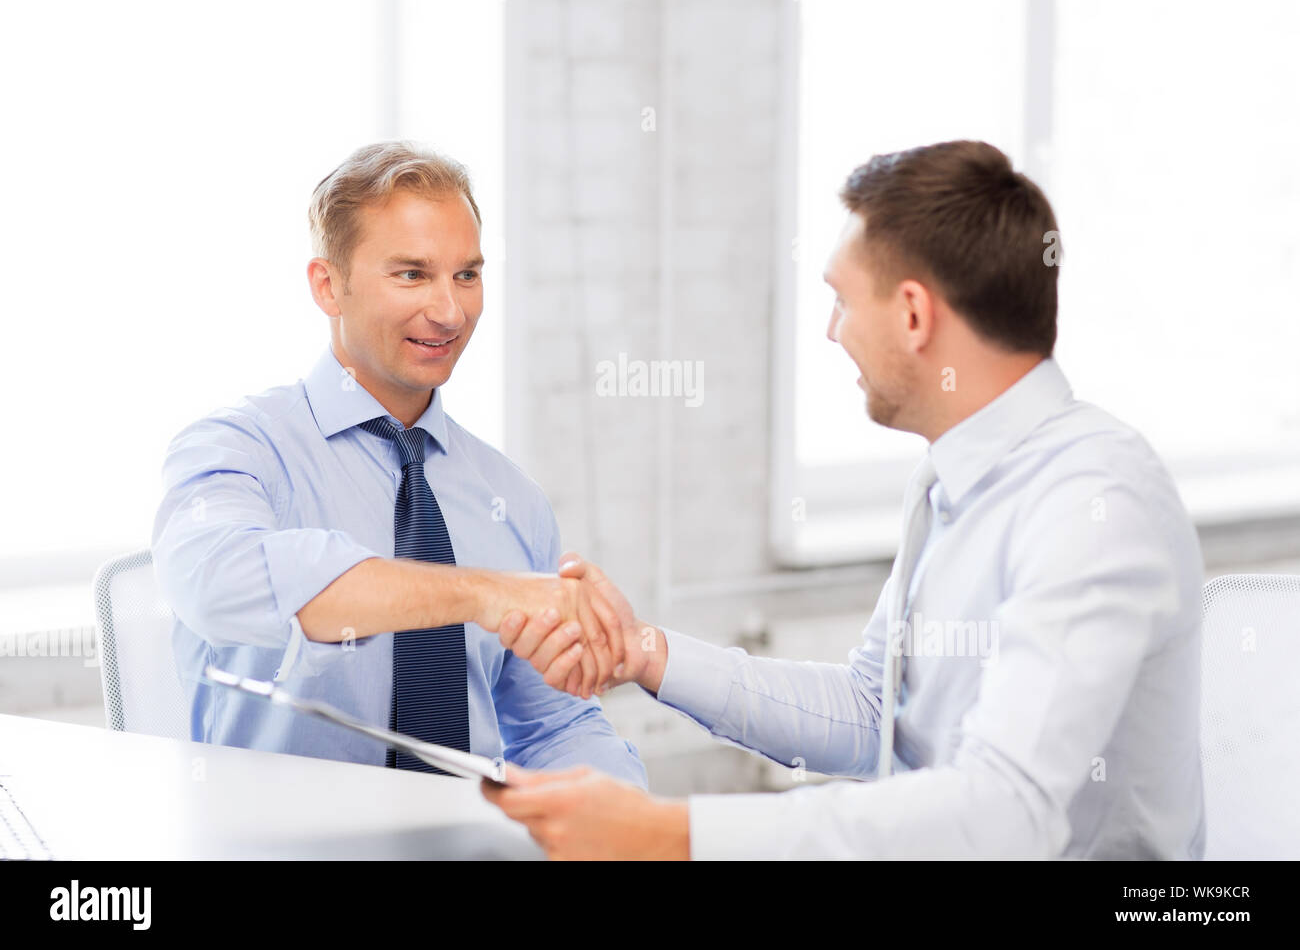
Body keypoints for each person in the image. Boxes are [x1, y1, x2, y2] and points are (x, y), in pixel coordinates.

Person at [483, 140, 1206, 859]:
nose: (834, 331)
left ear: (914, 315)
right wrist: (646, 652)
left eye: (842, 299)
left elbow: (1004, 814)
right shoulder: (948, 481)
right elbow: (873, 713)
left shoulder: (1091, 503)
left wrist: (674, 834)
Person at [152, 141, 643, 784]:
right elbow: (218, 584)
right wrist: (482, 592)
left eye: (467, 274)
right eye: (412, 274)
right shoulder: (236, 450)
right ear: (329, 285)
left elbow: (553, 723)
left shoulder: (509, 498)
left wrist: (634, 819)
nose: (449, 311)